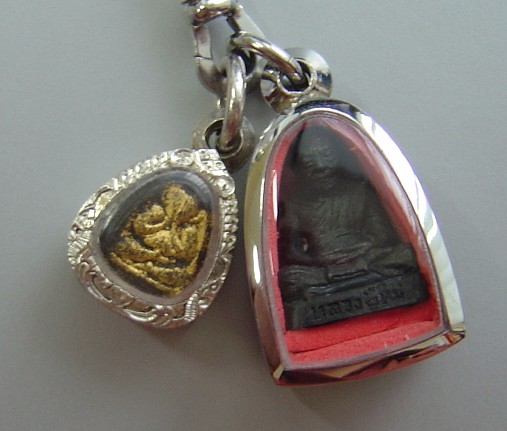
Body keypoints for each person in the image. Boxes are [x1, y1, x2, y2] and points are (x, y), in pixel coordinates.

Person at [277, 125, 427, 329]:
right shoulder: (294, 204)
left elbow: (383, 236)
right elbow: (291, 250)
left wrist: (352, 249)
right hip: (324, 270)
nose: (320, 165)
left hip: (363, 261)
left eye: (326, 155)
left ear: (339, 158)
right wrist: (320, 257)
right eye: (309, 160)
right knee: (289, 280)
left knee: (404, 255)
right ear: (297, 168)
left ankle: (335, 290)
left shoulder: (360, 192)